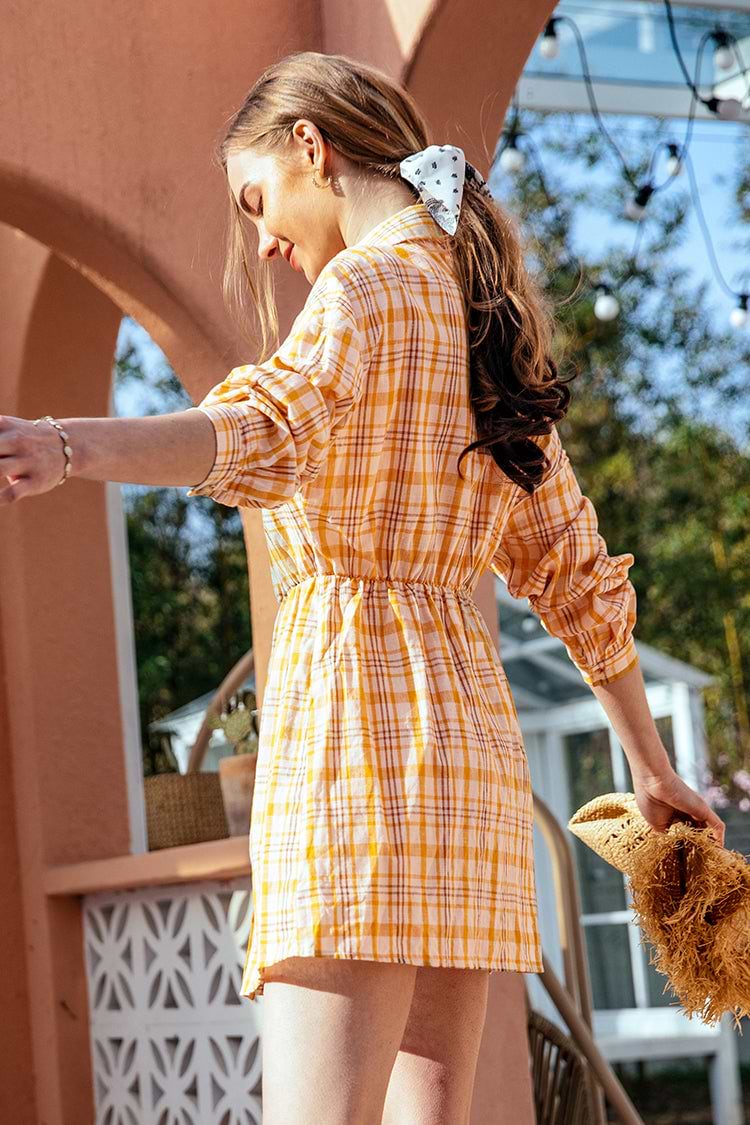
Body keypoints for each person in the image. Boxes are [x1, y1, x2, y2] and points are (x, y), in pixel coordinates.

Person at [0, 50, 726, 1125]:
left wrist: (67, 446)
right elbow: (572, 565)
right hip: (468, 765)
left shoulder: (370, 283)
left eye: (257, 202)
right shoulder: (482, 311)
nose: (262, 239)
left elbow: (267, 429)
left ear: (312, 146)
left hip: (356, 750)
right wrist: (651, 763)